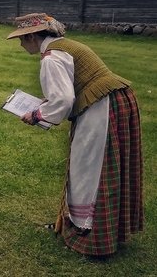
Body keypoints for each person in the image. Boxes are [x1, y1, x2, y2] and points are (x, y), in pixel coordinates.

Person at [7, 13, 143, 256]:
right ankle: (104, 229)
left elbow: (62, 100)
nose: (20, 44)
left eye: (21, 39)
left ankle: (88, 234)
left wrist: (36, 115)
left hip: (101, 107)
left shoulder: (51, 57)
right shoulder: (63, 46)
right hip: (112, 100)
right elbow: (65, 95)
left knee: (88, 170)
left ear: (31, 36)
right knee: (105, 167)